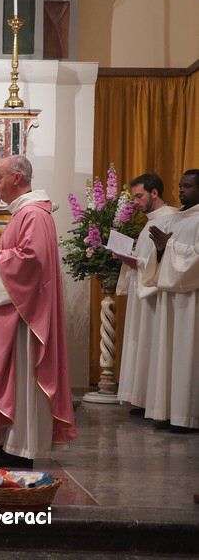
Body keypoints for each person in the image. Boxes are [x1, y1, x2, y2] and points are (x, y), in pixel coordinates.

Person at [0, 155, 77, 467]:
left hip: (26, 319)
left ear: (17, 178)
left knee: (23, 380)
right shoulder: (26, 212)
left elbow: (31, 260)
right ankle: (5, 441)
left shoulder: (34, 214)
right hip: (15, 312)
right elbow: (20, 256)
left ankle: (23, 446)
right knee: (10, 379)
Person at [115, 174, 177, 416]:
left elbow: (165, 257)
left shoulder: (170, 218)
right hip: (141, 293)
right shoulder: (149, 221)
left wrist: (137, 262)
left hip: (154, 296)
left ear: (154, 193)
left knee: (152, 345)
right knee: (140, 343)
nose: (136, 202)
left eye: (139, 196)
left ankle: (153, 401)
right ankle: (141, 398)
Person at [143, 169, 199, 433]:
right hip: (172, 298)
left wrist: (171, 247)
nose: (181, 190)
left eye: (187, 186)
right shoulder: (177, 219)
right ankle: (168, 412)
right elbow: (165, 257)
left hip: (192, 301)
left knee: (188, 355)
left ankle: (187, 416)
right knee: (170, 354)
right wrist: (162, 250)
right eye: (180, 185)